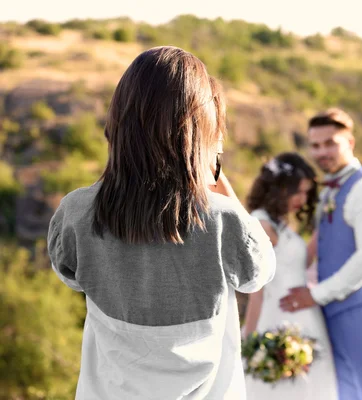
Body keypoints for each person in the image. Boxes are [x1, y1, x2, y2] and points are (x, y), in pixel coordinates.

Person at [47, 46, 276, 400]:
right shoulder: (224, 220)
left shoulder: (76, 211)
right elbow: (258, 274)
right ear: (200, 132)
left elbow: (70, 277)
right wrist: (214, 171)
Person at [279, 108, 362, 399]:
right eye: (315, 145)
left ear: (350, 142)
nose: (322, 152)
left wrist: (315, 294)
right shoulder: (330, 191)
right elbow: (321, 244)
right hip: (332, 315)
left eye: (330, 143)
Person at [242, 152, 338, 399]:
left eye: (307, 192)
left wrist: (322, 230)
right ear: (280, 189)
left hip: (305, 317)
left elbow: (297, 264)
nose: (303, 199)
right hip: (279, 321)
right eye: (299, 192)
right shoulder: (263, 225)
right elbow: (257, 290)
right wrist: (249, 340)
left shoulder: (281, 222)